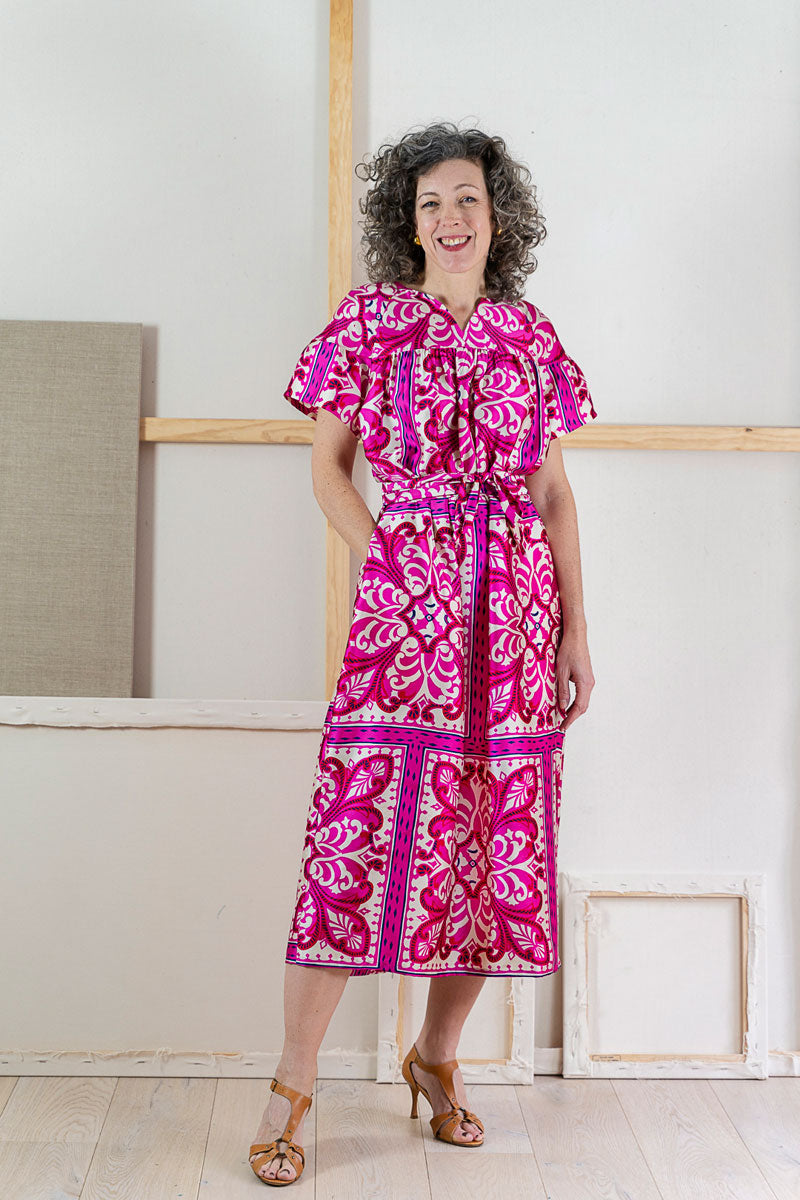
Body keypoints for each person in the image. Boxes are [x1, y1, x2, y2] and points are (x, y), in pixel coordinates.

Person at [248, 121, 597, 1186]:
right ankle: (293, 1082)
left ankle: (436, 1059)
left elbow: (549, 493)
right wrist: (390, 564)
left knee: (489, 857)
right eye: (429, 204)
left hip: (514, 621)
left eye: (467, 201)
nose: (449, 221)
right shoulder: (365, 323)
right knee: (352, 844)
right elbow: (328, 471)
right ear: (407, 223)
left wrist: (576, 627)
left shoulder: (529, 337)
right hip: (403, 628)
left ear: (499, 218)